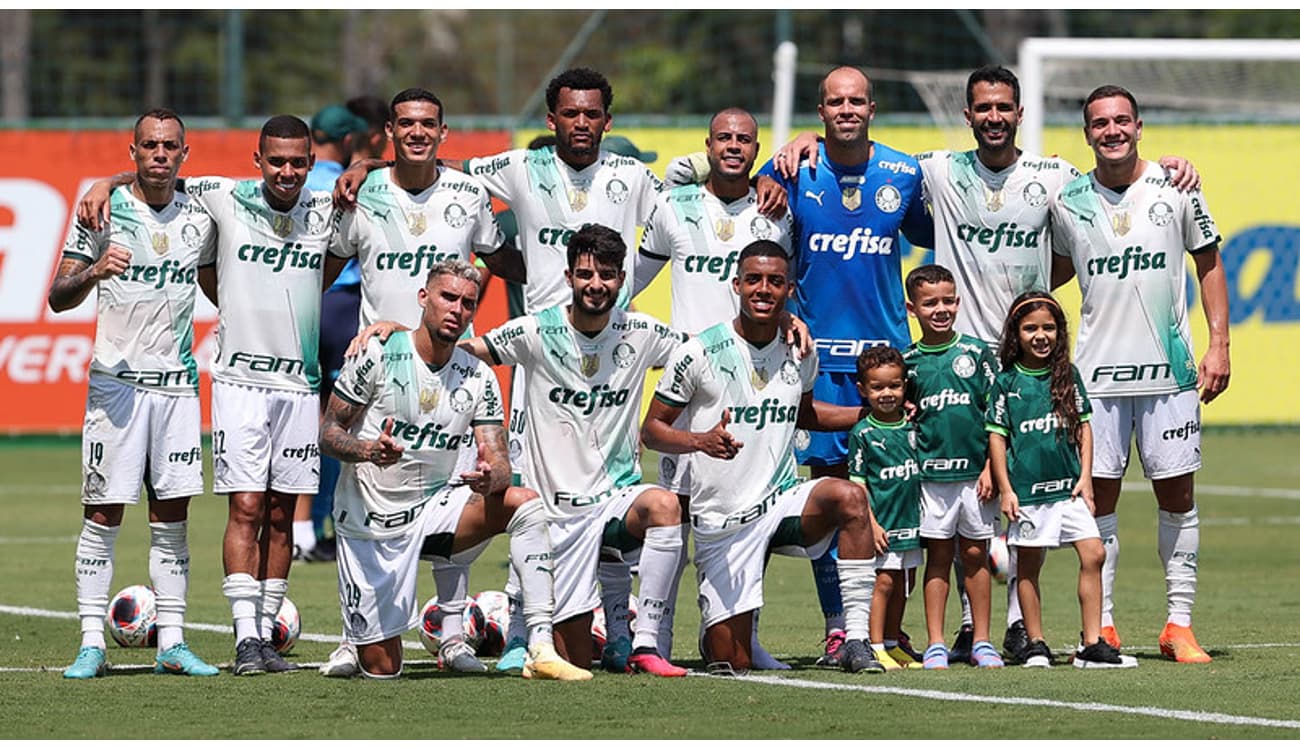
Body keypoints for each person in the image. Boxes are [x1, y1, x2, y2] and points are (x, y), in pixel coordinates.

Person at [777, 64, 1203, 663]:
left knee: (1015, 500)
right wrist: (810, 142)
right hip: (952, 364)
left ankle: (1007, 628)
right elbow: (860, 144)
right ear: (968, 115)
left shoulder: (1055, 176)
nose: (995, 117)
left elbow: (1117, 182)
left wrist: (1172, 167)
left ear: (1020, 114)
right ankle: (936, 632)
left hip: (1024, 368)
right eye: (984, 108)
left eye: (1005, 107)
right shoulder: (937, 169)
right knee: (945, 511)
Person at [317, 87, 525, 677]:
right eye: (405, 123)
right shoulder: (361, 193)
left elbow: (501, 259)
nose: (416, 132)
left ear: (443, 132)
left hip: (450, 370)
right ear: (388, 130)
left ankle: (454, 635)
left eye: (428, 124)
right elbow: (327, 268)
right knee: (364, 499)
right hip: (381, 365)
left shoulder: (467, 193)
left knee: (459, 481)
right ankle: (352, 634)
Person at [318, 259, 591, 680]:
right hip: (370, 522)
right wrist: (370, 450)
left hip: (434, 511)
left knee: (524, 503)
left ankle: (539, 645)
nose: (457, 310)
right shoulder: (377, 353)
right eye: (448, 297)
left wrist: (491, 478)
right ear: (424, 299)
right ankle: (356, 639)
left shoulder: (478, 374)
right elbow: (329, 433)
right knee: (383, 669)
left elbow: (498, 460)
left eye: (468, 303)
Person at [453, 224, 690, 678]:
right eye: (585, 274)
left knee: (663, 505)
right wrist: (397, 335)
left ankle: (644, 642)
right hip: (552, 510)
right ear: (568, 276)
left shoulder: (641, 331)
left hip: (613, 500)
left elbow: (709, 353)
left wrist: (785, 323)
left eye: (606, 274)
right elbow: (463, 352)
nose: (596, 285)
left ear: (622, 279)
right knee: (573, 656)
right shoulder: (535, 330)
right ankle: (518, 624)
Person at [642, 240, 886, 675]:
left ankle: (855, 639)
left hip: (781, 503)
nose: (763, 289)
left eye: (775, 281)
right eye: (753, 279)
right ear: (736, 284)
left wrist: (868, 413)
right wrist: (700, 441)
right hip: (724, 520)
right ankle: (720, 631)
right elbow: (652, 430)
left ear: (788, 289)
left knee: (850, 498)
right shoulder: (698, 352)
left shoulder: (799, 349)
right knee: (730, 661)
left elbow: (805, 413)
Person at [1049, 85, 1229, 664]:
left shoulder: (1178, 188)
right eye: (1099, 123)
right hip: (1094, 381)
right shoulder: (1069, 199)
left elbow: (1209, 263)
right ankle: (1101, 626)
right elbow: (1049, 274)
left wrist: (1219, 343)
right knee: (1096, 504)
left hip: (1170, 376)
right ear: (1087, 134)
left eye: (1121, 120)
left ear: (1139, 125)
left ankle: (1178, 626)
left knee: (1177, 498)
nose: (1111, 131)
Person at [760, 66, 933, 665]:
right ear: (821, 110)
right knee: (832, 501)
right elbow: (748, 220)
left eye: (856, 100)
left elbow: (953, 217)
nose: (847, 109)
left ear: (873, 107)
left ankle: (891, 628)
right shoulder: (792, 170)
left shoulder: (905, 174)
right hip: (817, 365)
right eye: (836, 102)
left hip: (887, 362)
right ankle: (841, 625)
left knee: (898, 497)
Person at [50, 108, 219, 679]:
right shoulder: (102, 209)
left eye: (170, 146)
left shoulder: (203, 213)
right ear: (133, 151)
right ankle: (91, 642)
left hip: (175, 388)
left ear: (184, 153)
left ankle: (171, 640)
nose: (160, 155)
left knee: (172, 517)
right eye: (149, 146)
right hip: (116, 388)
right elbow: (58, 294)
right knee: (102, 513)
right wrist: (96, 270)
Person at [631, 106, 795, 669]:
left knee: (751, 512)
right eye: (723, 138)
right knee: (672, 512)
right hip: (691, 382)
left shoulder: (777, 210)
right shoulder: (671, 206)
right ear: (708, 145)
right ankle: (652, 639)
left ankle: (732, 631)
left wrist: (795, 319)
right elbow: (629, 281)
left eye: (744, 139)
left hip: (755, 383)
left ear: (756, 149)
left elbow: (787, 284)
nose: (733, 146)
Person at [986, 291, 1136, 668]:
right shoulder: (1006, 382)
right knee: (1029, 566)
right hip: (1029, 493)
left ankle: (1092, 643)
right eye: (1031, 328)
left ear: (1060, 332)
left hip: (1068, 490)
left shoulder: (1068, 376)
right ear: (1015, 333)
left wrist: (1086, 477)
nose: (1041, 336)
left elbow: (1084, 427)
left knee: (1094, 553)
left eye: (1049, 328)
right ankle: (1035, 642)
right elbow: (997, 438)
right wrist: (1006, 489)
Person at [901, 264, 1002, 670]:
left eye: (947, 301)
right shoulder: (907, 361)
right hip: (932, 479)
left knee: (976, 555)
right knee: (938, 558)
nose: (940, 309)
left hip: (976, 478)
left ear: (958, 302)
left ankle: (981, 641)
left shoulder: (977, 354)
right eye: (929, 303)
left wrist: (992, 469)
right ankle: (937, 643)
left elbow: (997, 415)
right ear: (913, 309)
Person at [294, 103, 371, 563]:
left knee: (300, 419)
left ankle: (298, 527)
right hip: (343, 304)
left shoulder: (297, 183)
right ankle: (330, 521)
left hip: (302, 304)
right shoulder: (351, 183)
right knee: (340, 422)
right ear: (345, 142)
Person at [846, 345, 923, 671]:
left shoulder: (913, 426)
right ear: (863, 390)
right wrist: (872, 524)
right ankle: (875, 645)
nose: (887, 393)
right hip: (884, 524)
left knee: (907, 582)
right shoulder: (863, 433)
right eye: (877, 387)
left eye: (894, 385)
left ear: (905, 385)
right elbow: (859, 484)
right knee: (885, 583)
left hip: (912, 522)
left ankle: (894, 643)